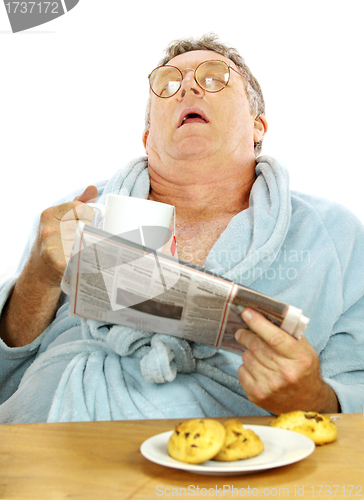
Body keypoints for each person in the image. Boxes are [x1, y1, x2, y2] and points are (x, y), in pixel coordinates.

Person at [0, 34, 363, 423]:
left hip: (231, 465)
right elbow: (7, 377)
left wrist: (317, 398)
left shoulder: (334, 234)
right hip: (46, 440)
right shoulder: (80, 214)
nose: (187, 86)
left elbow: (353, 394)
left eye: (214, 77)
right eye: (168, 83)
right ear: (147, 137)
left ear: (258, 126)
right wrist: (36, 280)